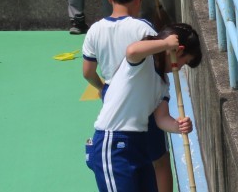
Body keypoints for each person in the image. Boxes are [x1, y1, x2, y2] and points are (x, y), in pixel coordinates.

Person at [82, 0, 175, 191]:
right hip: (145, 100)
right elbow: (158, 64)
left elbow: (87, 72)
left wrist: (102, 88)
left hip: (116, 103)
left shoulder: (95, 30)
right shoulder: (143, 28)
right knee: (159, 159)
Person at [85, 23, 202, 192]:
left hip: (138, 143)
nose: (180, 67)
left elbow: (161, 118)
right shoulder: (144, 60)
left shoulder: (163, 83)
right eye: (184, 62)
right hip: (113, 142)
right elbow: (132, 51)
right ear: (178, 51)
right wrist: (165, 44)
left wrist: (178, 126)